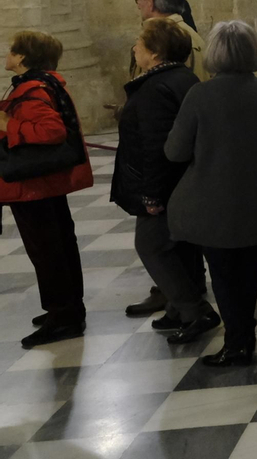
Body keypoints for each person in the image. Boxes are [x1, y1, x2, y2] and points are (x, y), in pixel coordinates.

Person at [164, 20, 257, 367]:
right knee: (248, 273)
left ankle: (237, 344)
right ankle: (244, 337)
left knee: (223, 276)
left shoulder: (201, 94)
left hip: (213, 199)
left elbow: (175, 151)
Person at [113, 19, 213, 344]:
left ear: (155, 53)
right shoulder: (183, 78)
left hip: (164, 184)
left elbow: (158, 148)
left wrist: (152, 195)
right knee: (179, 244)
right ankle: (177, 307)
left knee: (151, 245)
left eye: (140, 43)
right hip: (183, 181)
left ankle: (194, 310)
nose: (134, 48)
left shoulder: (156, 87)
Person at [2, 30, 92, 349]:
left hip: (33, 184)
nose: (8, 54)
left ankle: (62, 317)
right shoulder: (45, 82)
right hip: (45, 182)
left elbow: (50, 130)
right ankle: (69, 307)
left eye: (12, 50)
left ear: (23, 57)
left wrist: (9, 129)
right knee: (60, 244)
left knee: (47, 251)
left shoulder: (31, 89)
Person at [135, 0, 207, 80]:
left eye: (140, 0)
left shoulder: (166, 39)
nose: (138, 5)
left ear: (150, 4)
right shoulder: (187, 33)